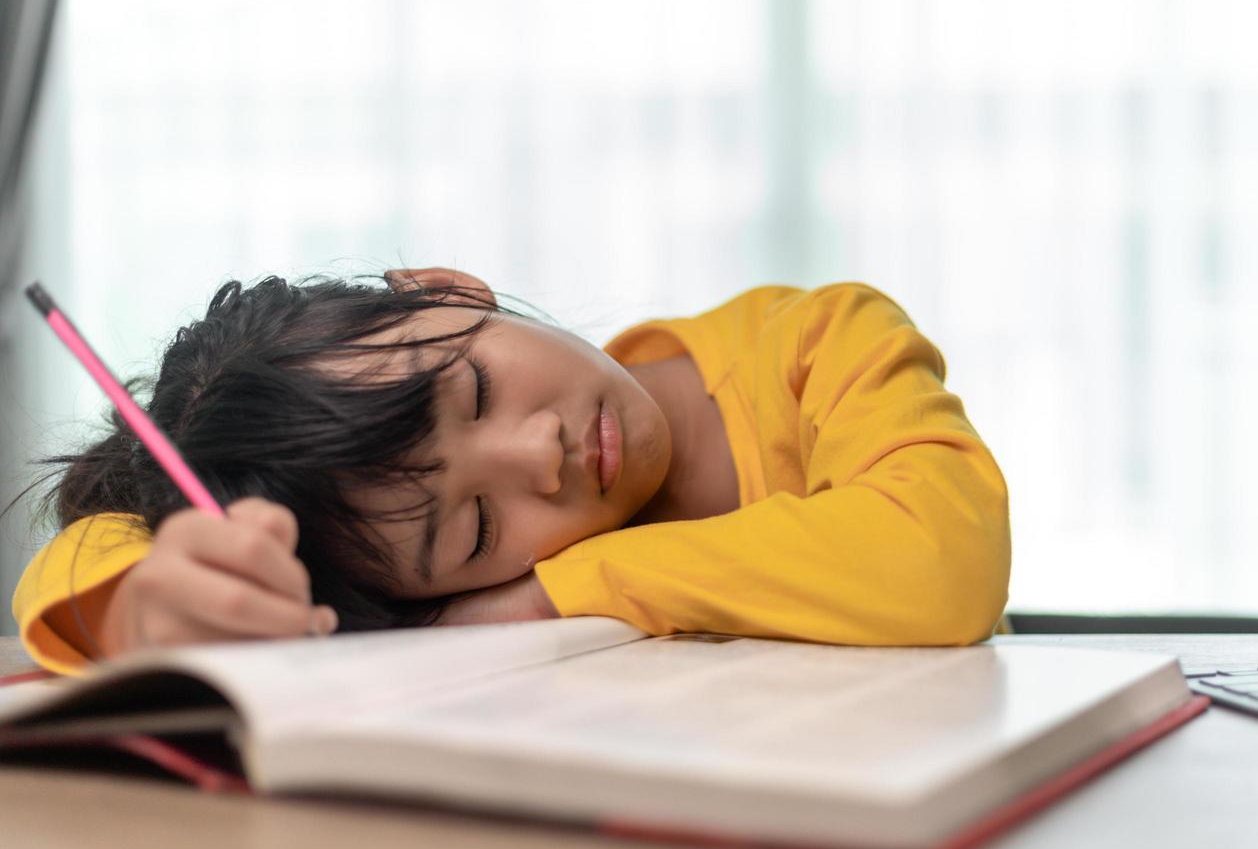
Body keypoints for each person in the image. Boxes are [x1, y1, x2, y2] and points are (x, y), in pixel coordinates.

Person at [9, 268, 1011, 674]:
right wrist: (142, 609)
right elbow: (91, 551)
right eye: (473, 530)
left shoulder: (816, 343)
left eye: (476, 391)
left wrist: (550, 590)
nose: (540, 455)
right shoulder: (394, 572)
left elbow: (939, 560)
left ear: (445, 288)